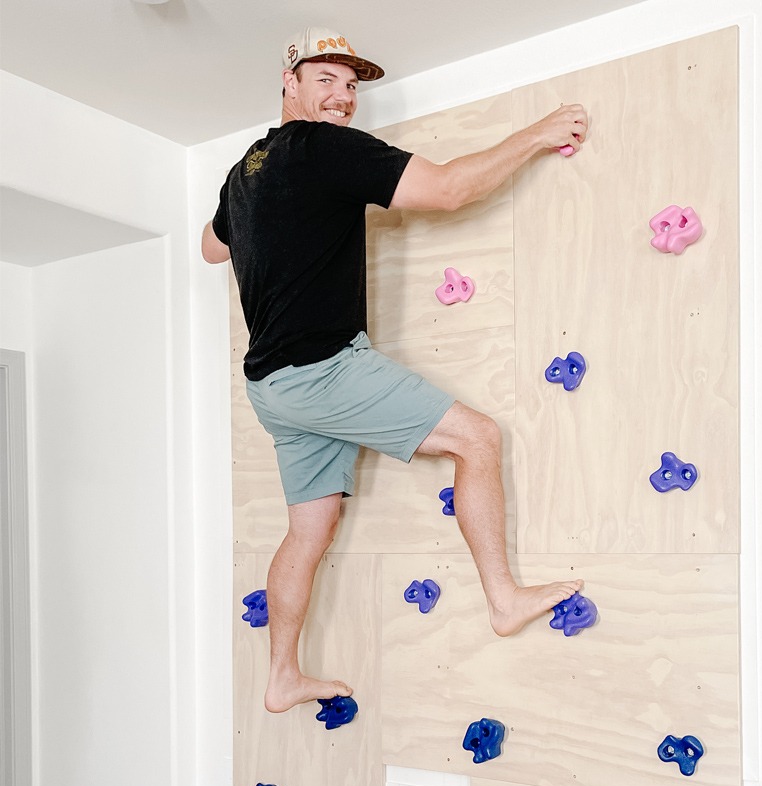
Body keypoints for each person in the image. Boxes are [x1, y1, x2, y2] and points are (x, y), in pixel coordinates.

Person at [203, 27, 590, 714]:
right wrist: (536, 133)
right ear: (288, 83)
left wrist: (269, 227)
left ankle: (282, 676)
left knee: (307, 530)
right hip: (321, 369)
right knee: (478, 439)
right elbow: (446, 191)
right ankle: (503, 599)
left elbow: (210, 248)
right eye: (326, 79)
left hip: (270, 387)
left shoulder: (245, 171)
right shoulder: (326, 150)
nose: (344, 97)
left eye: (352, 87)